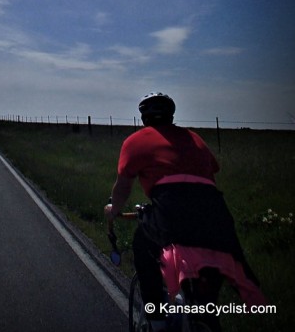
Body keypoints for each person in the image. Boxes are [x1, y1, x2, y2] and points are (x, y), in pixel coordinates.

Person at [104, 92, 265, 332]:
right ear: (171, 115)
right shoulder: (194, 138)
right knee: (209, 287)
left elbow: (123, 186)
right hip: (216, 213)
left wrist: (112, 209)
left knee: (143, 246)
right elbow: (213, 168)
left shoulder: (136, 141)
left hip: (172, 209)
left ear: (144, 117)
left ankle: (156, 321)